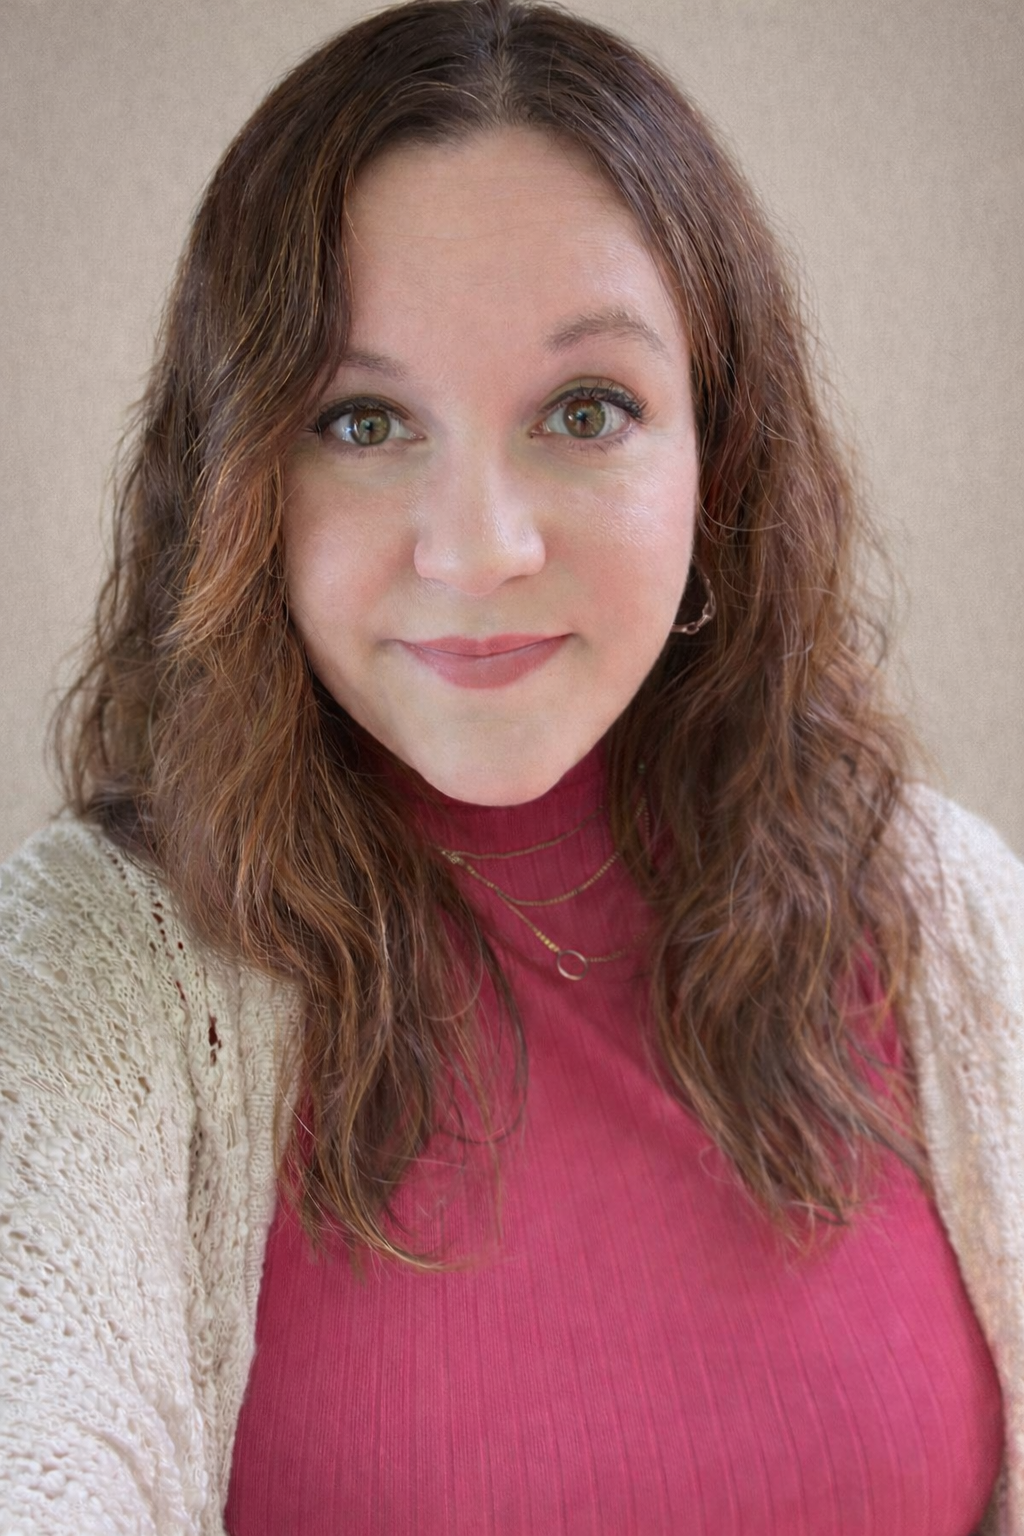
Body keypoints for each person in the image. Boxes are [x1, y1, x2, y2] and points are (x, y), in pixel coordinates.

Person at [1, 0, 1020, 1531]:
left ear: (716, 461)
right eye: (361, 419)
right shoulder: (92, 978)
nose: (480, 551)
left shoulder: (948, 918)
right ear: (237, 480)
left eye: (585, 410)